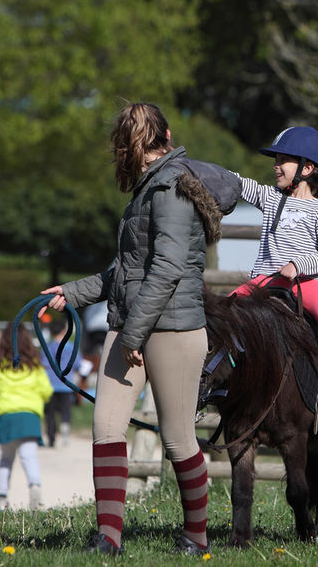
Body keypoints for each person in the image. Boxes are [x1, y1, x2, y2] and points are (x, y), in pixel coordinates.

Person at [42, 102, 236, 556]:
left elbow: (167, 270)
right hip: (130, 327)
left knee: (177, 438)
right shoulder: (146, 192)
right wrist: (71, 293)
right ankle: (108, 539)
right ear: (166, 133)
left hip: (174, 330)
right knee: (107, 426)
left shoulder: (170, 190)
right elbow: (125, 272)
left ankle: (196, 537)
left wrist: (132, 334)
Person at [228, 126, 318, 415]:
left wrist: (299, 265)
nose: (275, 166)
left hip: (304, 283)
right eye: (276, 160)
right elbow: (241, 184)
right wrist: (207, 172)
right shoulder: (271, 197)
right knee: (225, 311)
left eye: (283, 160)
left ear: (307, 168)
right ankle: (218, 377)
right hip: (265, 280)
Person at [0, 323, 53, 509]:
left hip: (6, 416)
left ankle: (1, 497)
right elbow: (47, 391)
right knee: (29, 455)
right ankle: (35, 487)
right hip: (30, 416)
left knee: (6, 458)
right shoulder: (35, 366)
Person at [42, 317, 78, 447]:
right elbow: (78, 364)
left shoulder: (47, 346)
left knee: (49, 414)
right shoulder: (71, 347)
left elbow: (44, 364)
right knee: (65, 411)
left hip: (49, 385)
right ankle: (65, 431)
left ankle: (51, 439)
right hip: (66, 385)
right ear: (64, 330)